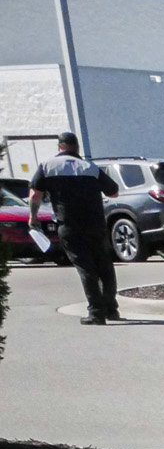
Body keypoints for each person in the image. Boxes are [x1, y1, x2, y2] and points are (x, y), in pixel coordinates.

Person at [27, 134, 121, 324]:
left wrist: (33, 216)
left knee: (86, 268)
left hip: (70, 225)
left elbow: (35, 195)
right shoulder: (90, 167)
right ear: (77, 147)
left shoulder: (47, 166)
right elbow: (114, 191)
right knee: (105, 266)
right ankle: (111, 309)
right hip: (96, 224)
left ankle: (96, 313)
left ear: (59, 146)